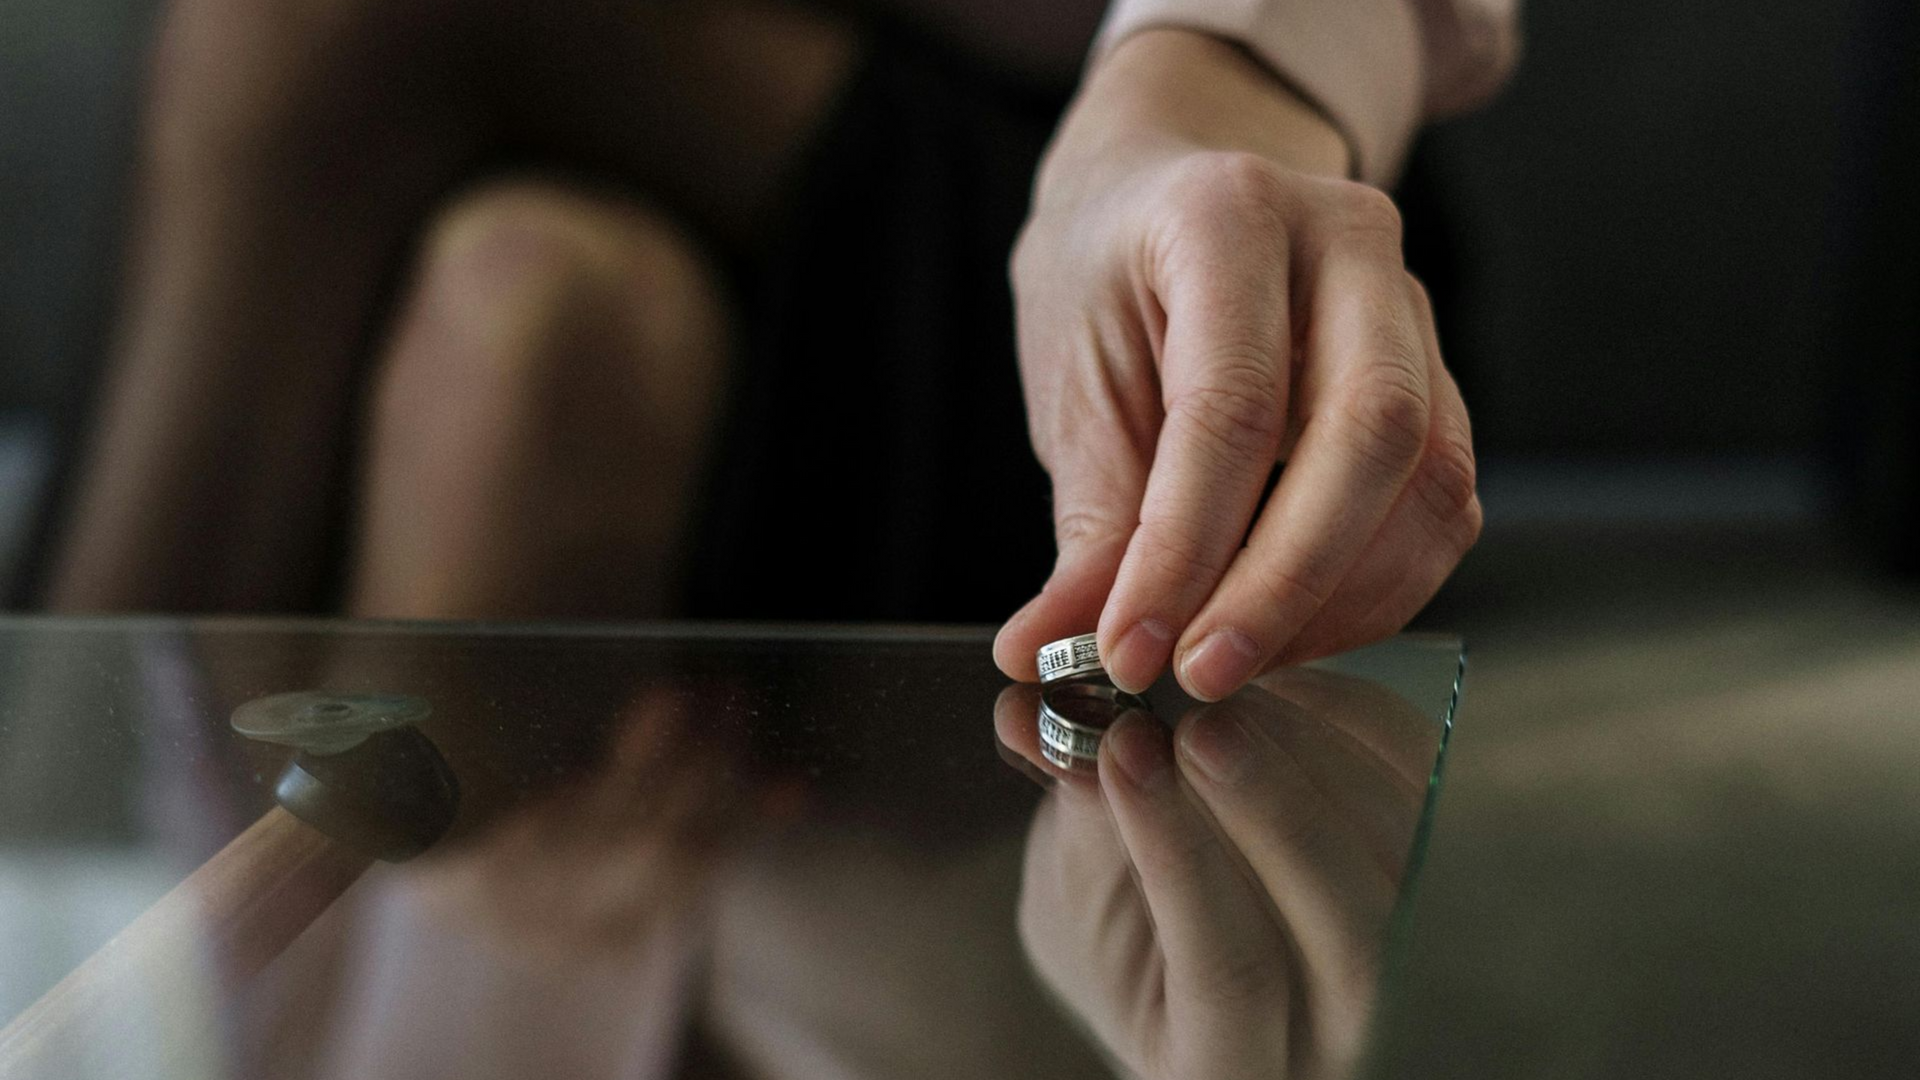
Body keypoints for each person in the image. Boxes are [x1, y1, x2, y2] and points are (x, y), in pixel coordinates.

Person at [42, 0, 1515, 704]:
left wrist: (1196, 102)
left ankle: (59, 836)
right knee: (537, 311)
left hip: (1096, 185)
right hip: (660, 121)